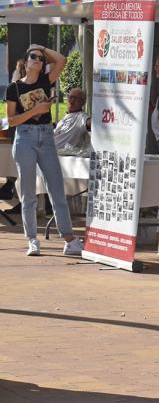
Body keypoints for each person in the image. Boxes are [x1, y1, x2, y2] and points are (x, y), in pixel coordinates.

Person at [6, 45, 82, 257]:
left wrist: (41, 48)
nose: (38, 59)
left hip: (46, 137)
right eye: (33, 56)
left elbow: (61, 61)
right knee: (28, 193)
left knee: (57, 190)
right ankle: (32, 239)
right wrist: (36, 110)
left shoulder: (45, 81)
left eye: (40, 58)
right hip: (25, 137)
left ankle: (69, 239)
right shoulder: (13, 88)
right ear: (26, 61)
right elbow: (11, 121)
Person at [53, 86, 91, 153]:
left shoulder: (81, 117)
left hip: (60, 157)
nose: (72, 101)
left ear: (82, 102)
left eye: (76, 99)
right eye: (70, 97)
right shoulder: (65, 118)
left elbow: (90, 123)